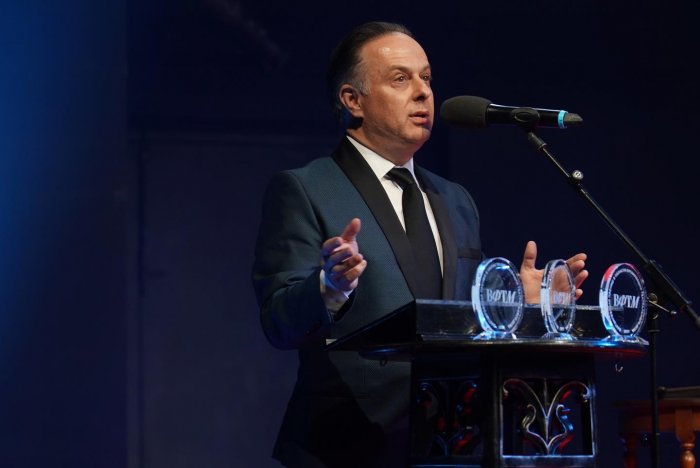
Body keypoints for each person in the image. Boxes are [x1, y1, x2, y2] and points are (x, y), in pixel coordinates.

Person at [252, 21, 588, 468]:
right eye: (400, 78)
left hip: (451, 443)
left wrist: (521, 304)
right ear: (352, 100)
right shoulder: (306, 189)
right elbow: (279, 321)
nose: (423, 92)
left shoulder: (455, 198)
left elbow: (464, 314)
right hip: (346, 448)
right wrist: (329, 289)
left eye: (426, 78)